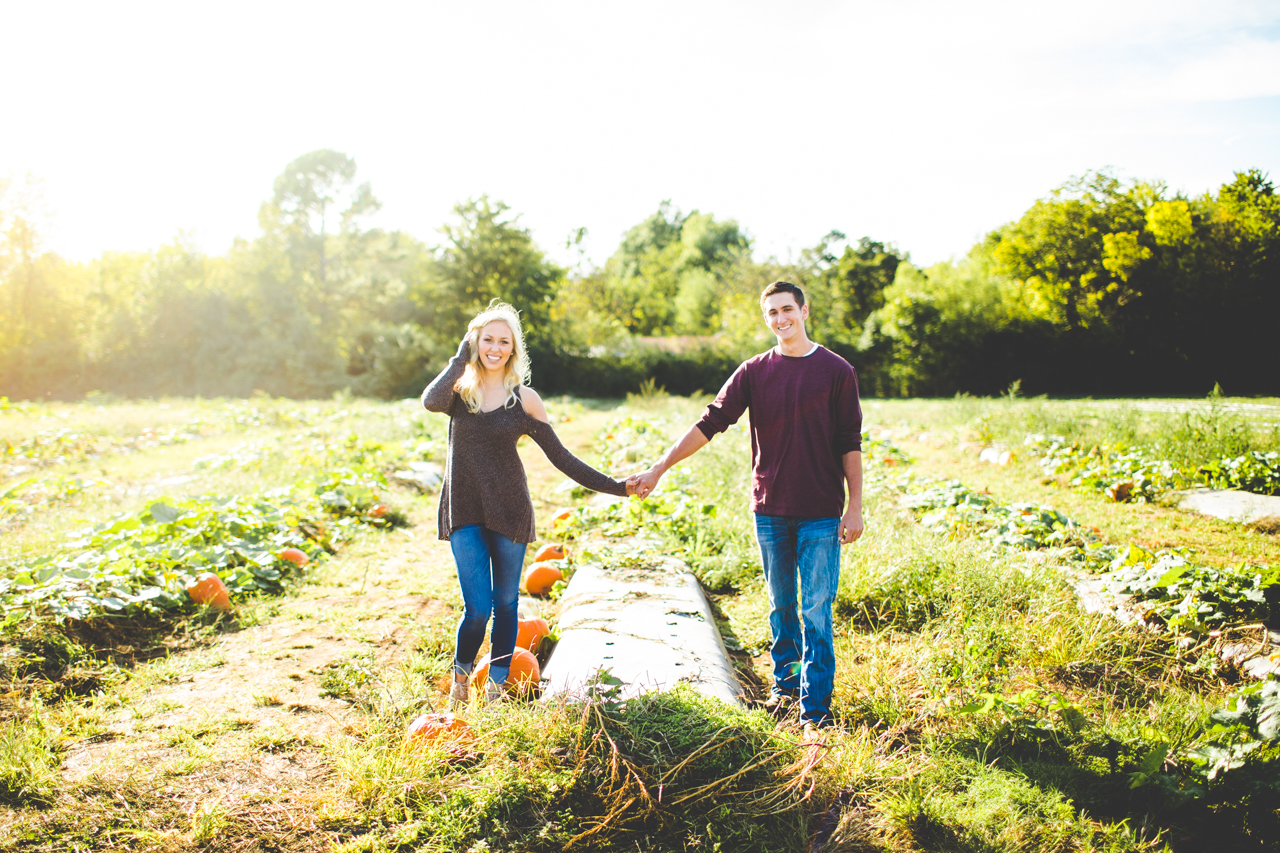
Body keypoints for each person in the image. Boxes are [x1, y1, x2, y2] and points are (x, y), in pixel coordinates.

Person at [628, 281, 863, 731]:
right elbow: (710, 422)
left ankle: (815, 711)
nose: (780, 319)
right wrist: (659, 468)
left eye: (787, 310)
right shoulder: (754, 371)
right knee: (781, 608)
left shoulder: (837, 371)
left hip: (820, 511)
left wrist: (855, 508)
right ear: (766, 318)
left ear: (804, 311)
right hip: (771, 509)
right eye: (772, 312)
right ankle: (786, 686)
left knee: (815, 608)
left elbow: (849, 442)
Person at [422, 301, 635, 707]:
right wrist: (460, 356)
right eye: (487, 340)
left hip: (509, 511)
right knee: (477, 609)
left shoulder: (524, 400)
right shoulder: (457, 392)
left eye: (504, 341)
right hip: (464, 509)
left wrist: (618, 487)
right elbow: (429, 401)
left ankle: (497, 688)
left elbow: (562, 458)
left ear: (514, 349)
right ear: (475, 342)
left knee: (506, 605)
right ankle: (460, 682)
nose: (495, 348)